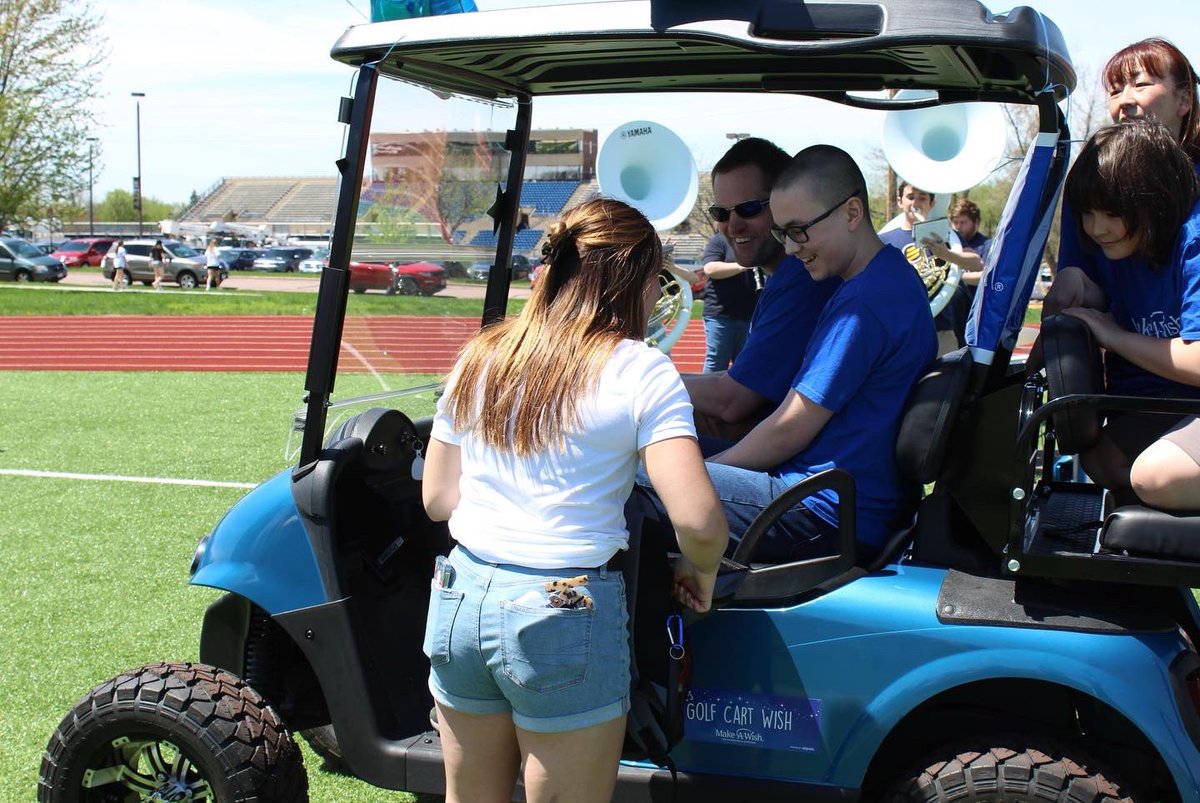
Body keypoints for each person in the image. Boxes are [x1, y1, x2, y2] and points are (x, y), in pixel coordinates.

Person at [420, 198, 729, 803]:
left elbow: (437, 499)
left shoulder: (482, 353)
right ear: (636, 282)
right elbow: (698, 519)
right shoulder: (641, 371)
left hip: (459, 594)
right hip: (564, 607)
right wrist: (702, 570)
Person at [645, 145, 936, 564]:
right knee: (665, 458)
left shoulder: (865, 302)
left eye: (800, 230)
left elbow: (789, 429)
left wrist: (708, 479)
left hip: (826, 511)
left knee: (627, 483)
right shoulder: (881, 280)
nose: (793, 249)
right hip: (835, 498)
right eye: (783, 233)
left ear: (852, 213)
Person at [1045, 120, 1200, 510]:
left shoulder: (1193, 244)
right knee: (1103, 460)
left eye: (1111, 212)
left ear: (1156, 200)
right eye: (1087, 213)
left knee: (1157, 475)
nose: (1097, 228)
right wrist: (1080, 285)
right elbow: (1123, 303)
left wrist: (1110, 334)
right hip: (1177, 404)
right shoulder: (1126, 245)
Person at [682, 137, 840, 442]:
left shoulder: (802, 279)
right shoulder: (787, 275)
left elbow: (732, 401)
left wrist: (640, 381)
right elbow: (735, 382)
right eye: (721, 214)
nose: (733, 225)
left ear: (784, 203)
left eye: (749, 209)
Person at [1058, 38, 1200, 281]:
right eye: (1114, 91)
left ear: (1184, 99)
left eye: (1141, 84)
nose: (1124, 101)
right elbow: (1079, 267)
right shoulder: (1092, 178)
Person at [878, 181, 972, 353]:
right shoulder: (884, 240)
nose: (915, 203)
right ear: (900, 201)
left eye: (922, 198)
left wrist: (947, 254)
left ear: (932, 203)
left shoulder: (945, 235)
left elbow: (977, 263)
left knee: (944, 379)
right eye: (910, 197)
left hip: (940, 328)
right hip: (899, 331)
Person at [696, 231, 759, 372]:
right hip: (720, 315)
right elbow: (710, 268)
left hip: (749, 314)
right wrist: (742, 266)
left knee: (745, 365)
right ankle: (710, 395)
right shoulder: (718, 240)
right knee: (716, 363)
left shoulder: (753, 240)